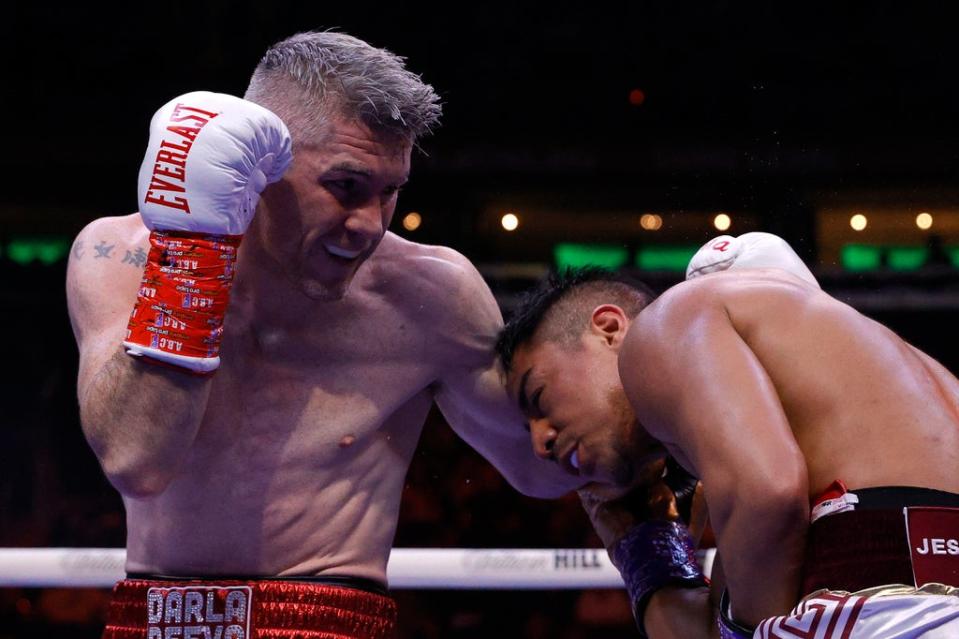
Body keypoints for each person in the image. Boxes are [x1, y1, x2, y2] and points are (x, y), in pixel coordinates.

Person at [66, 31, 578, 638]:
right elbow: (136, 461)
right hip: (153, 619)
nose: (368, 224)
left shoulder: (429, 296)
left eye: (390, 192)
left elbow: (544, 464)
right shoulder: (119, 256)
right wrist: (193, 257)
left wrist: (665, 389)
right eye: (345, 187)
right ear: (260, 161)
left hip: (330, 617)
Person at [496, 233, 959, 638]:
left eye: (538, 396)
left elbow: (770, 493)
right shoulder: (919, 385)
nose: (540, 442)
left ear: (610, 328)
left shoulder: (673, 318)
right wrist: (645, 545)